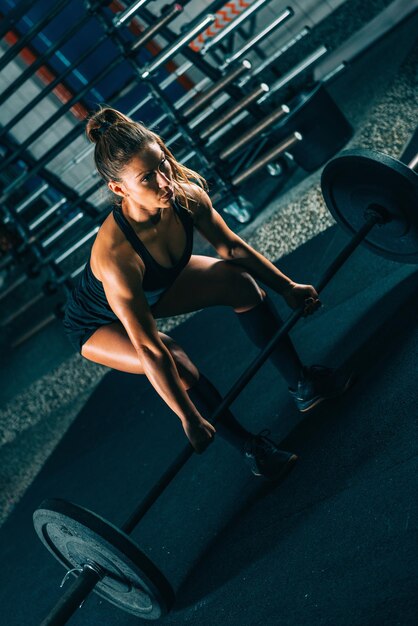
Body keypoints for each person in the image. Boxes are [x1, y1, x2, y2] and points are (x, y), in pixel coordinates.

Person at [63, 106, 351, 482]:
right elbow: (149, 349)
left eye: (163, 163)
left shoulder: (185, 197)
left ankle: (303, 385)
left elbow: (231, 249)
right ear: (119, 189)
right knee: (174, 359)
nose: (164, 181)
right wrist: (189, 417)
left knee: (239, 284)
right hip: (96, 322)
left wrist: (288, 288)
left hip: (153, 289)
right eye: (147, 178)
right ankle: (252, 449)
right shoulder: (117, 257)